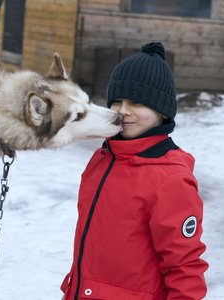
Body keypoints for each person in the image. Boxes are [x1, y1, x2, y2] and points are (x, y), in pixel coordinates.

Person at [61, 42, 208, 300]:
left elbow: (184, 268)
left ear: (162, 111)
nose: (123, 110)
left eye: (136, 102)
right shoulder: (104, 158)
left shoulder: (170, 180)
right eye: (117, 101)